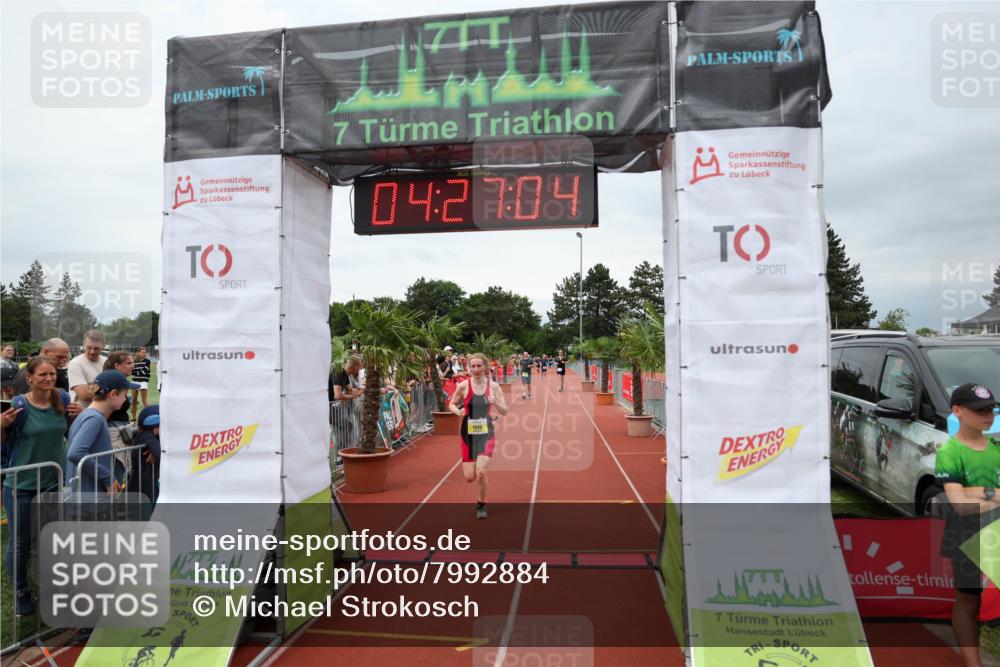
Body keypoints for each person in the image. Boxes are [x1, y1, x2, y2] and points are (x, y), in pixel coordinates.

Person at [1, 356, 73, 615]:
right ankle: (21, 592)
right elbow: (5, 441)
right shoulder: (19, 405)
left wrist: (79, 416)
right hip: (21, 485)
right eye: (43, 374)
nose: (49, 378)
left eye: (52, 373)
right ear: (29, 378)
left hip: (52, 483)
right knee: (20, 541)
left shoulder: (62, 399)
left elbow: (65, 432)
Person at [935, 383, 1000, 667]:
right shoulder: (949, 452)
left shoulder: (997, 447)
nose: (988, 415)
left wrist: (978, 493)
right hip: (966, 535)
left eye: (990, 409)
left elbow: (965, 498)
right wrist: (994, 494)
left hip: (996, 533)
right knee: (969, 600)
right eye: (979, 410)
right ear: (957, 411)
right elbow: (960, 505)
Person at [448, 353, 509, 519]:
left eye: (479, 366)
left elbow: (505, 410)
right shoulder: (463, 386)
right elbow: (451, 403)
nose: (475, 369)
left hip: (486, 433)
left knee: (480, 472)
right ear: (469, 368)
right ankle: (481, 473)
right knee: (469, 477)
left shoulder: (494, 387)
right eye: (473, 366)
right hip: (467, 435)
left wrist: (495, 401)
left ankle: (481, 505)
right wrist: (457, 411)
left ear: (485, 367)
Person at [66, 370, 138, 494]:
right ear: (113, 394)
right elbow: (75, 453)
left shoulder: (88, 415)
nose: (125, 399)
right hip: (89, 495)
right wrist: (107, 478)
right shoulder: (95, 419)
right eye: (124, 394)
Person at [104, 352, 136, 482]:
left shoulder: (117, 382)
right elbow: (104, 410)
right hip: (114, 434)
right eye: (129, 363)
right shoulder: (110, 383)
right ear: (117, 365)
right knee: (117, 475)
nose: (133, 366)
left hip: (120, 431)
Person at [11, 338, 75, 400]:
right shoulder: (29, 371)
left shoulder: (53, 371)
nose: (63, 361)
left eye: (65, 358)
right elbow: (25, 402)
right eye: (59, 357)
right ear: (46, 351)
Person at [128, 405, 161, 510]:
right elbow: (160, 454)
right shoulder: (148, 436)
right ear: (156, 429)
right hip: (142, 489)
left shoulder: (145, 435)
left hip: (147, 485)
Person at [67, 330, 108, 409]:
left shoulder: (107, 362)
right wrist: (105, 387)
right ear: (83, 345)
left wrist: (90, 386)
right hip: (81, 412)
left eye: (96, 348)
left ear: (103, 346)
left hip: (103, 411)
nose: (92, 351)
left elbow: (117, 389)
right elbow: (84, 395)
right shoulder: (75, 363)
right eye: (88, 348)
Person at [130, 347, 151, 422]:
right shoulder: (134, 362)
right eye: (142, 352)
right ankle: (134, 418)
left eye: (145, 352)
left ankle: (148, 417)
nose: (144, 353)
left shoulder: (147, 361)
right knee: (134, 401)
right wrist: (136, 372)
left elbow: (145, 370)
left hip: (143, 381)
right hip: (135, 381)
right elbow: (132, 372)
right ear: (138, 353)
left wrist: (136, 372)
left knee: (144, 400)